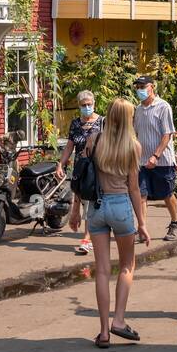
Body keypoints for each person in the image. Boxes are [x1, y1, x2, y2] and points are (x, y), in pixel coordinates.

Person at [84, 97, 149, 348]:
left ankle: (103, 332)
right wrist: (142, 223)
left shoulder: (95, 140)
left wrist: (76, 209)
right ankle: (119, 320)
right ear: (128, 119)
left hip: (97, 207)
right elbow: (134, 188)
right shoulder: (134, 146)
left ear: (109, 116)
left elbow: (85, 174)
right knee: (126, 266)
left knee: (101, 270)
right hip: (121, 206)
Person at [132, 75, 177, 241]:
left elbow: (167, 134)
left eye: (142, 86)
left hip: (162, 160)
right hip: (142, 160)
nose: (140, 89)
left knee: (167, 193)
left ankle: (175, 223)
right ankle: (142, 227)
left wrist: (156, 155)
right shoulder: (138, 109)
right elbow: (136, 134)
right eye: (137, 87)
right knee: (141, 195)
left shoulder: (163, 107)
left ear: (152, 86)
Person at [57, 90, 101, 255]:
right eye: (84, 105)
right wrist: (61, 164)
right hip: (80, 168)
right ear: (79, 106)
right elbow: (70, 146)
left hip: (96, 168)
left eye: (89, 104)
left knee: (89, 202)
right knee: (80, 199)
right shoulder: (75, 124)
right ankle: (86, 230)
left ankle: (87, 239)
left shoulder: (101, 122)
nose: (87, 107)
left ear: (94, 104)